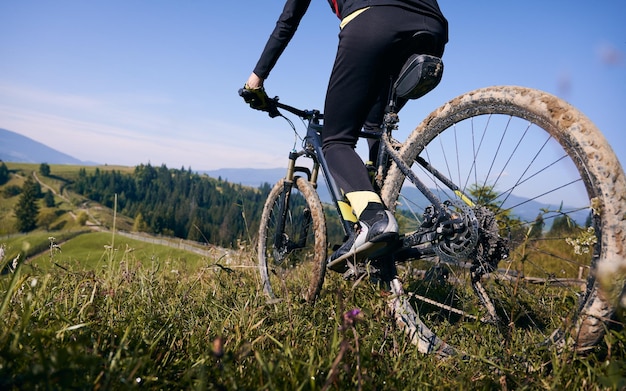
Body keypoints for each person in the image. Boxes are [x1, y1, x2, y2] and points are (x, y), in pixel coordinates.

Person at [243, 0, 448, 270]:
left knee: (336, 140)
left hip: (374, 22)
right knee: (375, 124)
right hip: (433, 30)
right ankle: (385, 216)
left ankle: (375, 219)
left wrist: (255, 80)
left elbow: (287, 21)